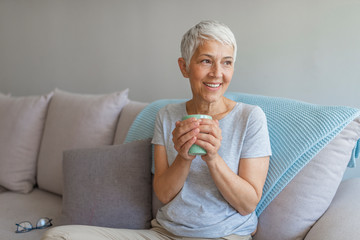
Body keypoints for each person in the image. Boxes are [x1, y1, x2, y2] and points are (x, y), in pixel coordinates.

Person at [42, 20, 271, 240]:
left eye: (227, 62)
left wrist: (213, 158)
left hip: (221, 235)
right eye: (206, 61)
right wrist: (183, 157)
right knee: (58, 236)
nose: (217, 73)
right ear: (184, 67)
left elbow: (247, 203)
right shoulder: (167, 115)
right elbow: (163, 193)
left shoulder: (250, 117)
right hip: (164, 233)